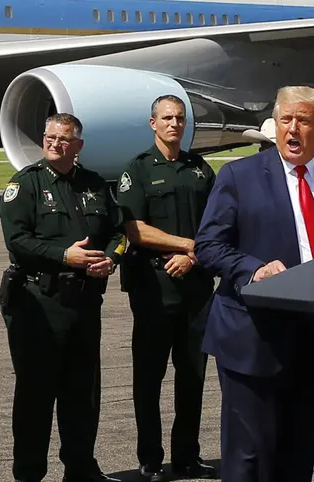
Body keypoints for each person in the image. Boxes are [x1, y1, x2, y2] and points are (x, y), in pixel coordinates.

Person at [194, 86, 314, 482]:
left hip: (311, 336)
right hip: (251, 335)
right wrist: (253, 268)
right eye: (285, 120)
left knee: (297, 450)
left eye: (304, 121)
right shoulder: (238, 176)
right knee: (250, 453)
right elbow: (208, 245)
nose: (293, 129)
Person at [0, 113, 126, 482]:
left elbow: (119, 231)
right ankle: (29, 472)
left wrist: (111, 259)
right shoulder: (26, 184)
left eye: (64, 138)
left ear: (78, 145)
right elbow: (17, 242)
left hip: (85, 303)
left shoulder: (95, 185)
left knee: (83, 392)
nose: (55, 143)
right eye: (50, 136)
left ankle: (81, 467)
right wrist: (63, 256)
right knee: (36, 395)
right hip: (41, 302)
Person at [116, 95, 218, 481]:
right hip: (154, 289)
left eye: (180, 118)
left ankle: (188, 456)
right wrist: (185, 245)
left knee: (192, 375)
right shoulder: (138, 170)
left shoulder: (200, 169)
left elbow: (216, 224)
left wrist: (193, 257)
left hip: (194, 286)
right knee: (150, 377)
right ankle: (151, 458)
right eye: (167, 118)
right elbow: (133, 229)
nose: (174, 124)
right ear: (152, 123)